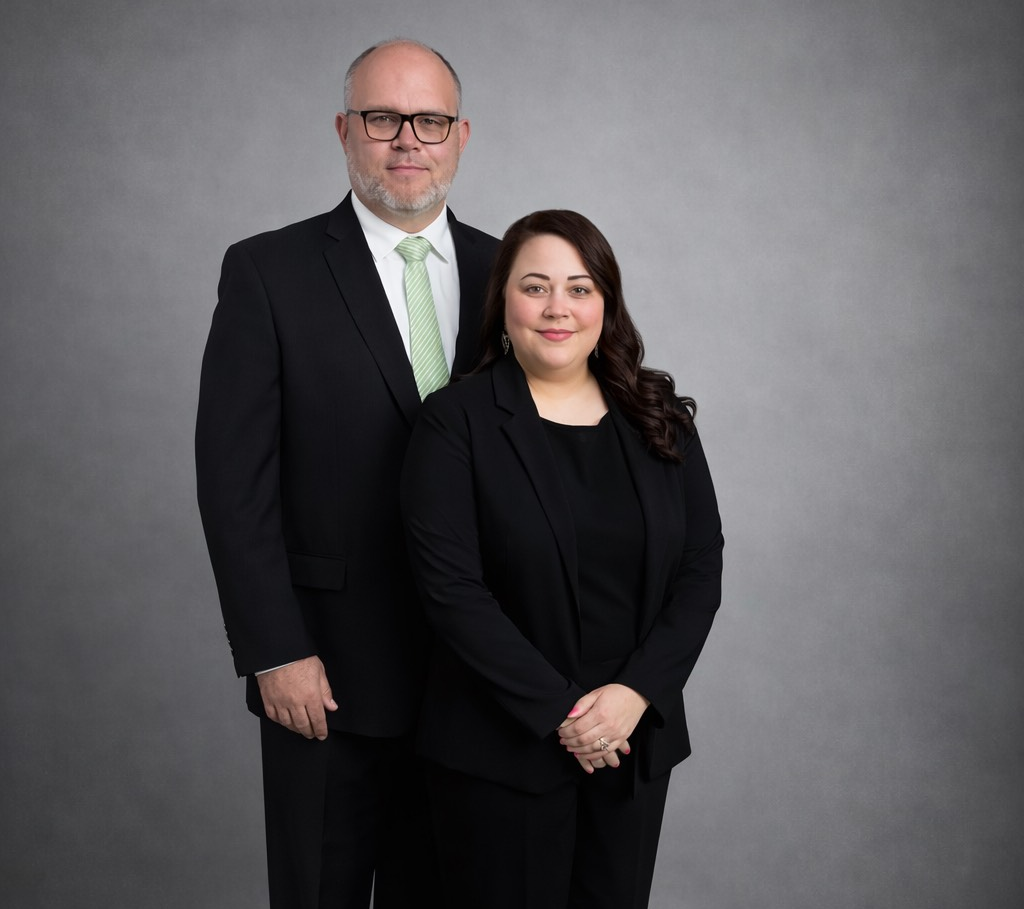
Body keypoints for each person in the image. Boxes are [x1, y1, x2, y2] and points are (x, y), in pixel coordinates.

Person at [195, 38, 498, 909]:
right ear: (344, 130)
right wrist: (274, 648)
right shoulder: (268, 271)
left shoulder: (511, 273)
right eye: (382, 117)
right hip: (324, 674)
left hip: (476, 683)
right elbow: (233, 479)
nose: (408, 139)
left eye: (429, 120)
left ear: (461, 134)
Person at [400, 209, 724, 908]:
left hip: (630, 742)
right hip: (497, 749)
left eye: (579, 288)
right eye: (535, 286)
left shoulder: (658, 414)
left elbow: (701, 568)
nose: (557, 309)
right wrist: (565, 714)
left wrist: (634, 695)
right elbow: (451, 589)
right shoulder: (454, 421)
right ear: (502, 300)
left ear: (606, 304)